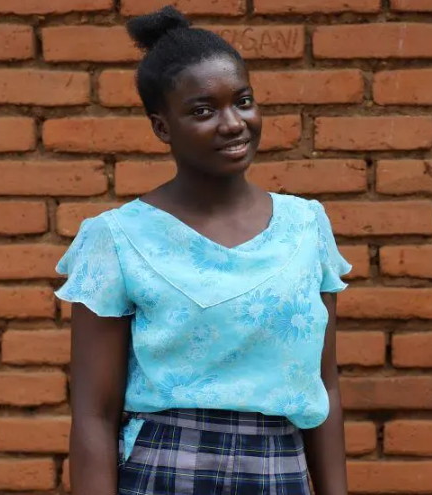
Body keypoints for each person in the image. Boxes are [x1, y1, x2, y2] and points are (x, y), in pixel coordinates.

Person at [55, 5, 352, 494]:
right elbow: (93, 413)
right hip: (165, 471)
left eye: (244, 101)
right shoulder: (116, 238)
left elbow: (326, 386)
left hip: (281, 472)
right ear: (161, 127)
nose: (233, 123)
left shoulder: (307, 227)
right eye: (203, 110)